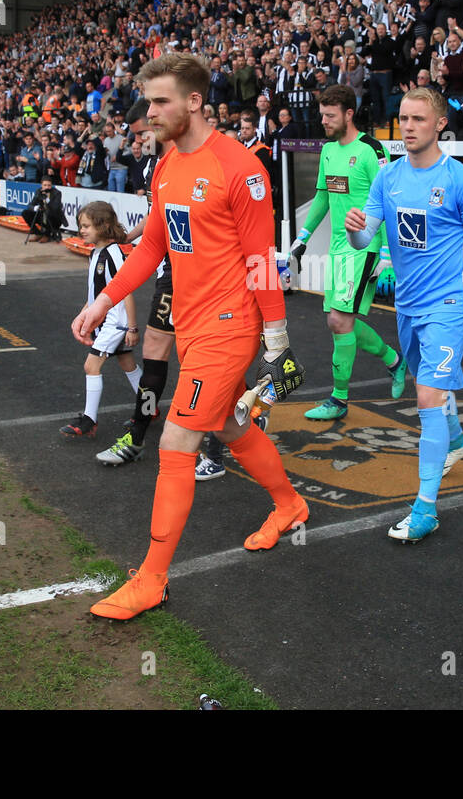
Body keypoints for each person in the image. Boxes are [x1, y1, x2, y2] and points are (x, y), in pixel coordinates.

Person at [70, 53, 306, 619]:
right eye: (148, 101)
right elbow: (151, 247)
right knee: (228, 423)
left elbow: (260, 259)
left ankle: (152, 579)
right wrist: (102, 300)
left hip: (231, 327)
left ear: (195, 102)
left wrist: (276, 337)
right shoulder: (166, 165)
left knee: (177, 442)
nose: (149, 113)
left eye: (160, 102)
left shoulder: (241, 167)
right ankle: (290, 504)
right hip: (191, 324)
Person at [346, 86, 463, 542]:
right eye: (403, 119)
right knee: (427, 389)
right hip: (406, 304)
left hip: (449, 304)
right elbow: (364, 241)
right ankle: (459, 442)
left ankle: (425, 508)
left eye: (418, 120)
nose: (407, 127)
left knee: (427, 397)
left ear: (439, 123)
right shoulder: (388, 178)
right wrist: (353, 232)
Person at [285, 84, 406, 422]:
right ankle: (394, 361)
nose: (323, 120)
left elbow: (388, 200)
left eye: (329, 115)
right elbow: (322, 196)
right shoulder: (328, 151)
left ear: (349, 114)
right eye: (322, 114)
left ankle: (338, 400)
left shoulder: (372, 149)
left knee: (339, 320)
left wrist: (384, 252)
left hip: (365, 245)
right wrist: (303, 238)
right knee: (337, 321)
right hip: (338, 247)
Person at [95, 99, 176, 467]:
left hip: (211, 278)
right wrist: (131, 235)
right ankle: (138, 432)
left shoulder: (194, 159)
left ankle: (233, 429)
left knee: (202, 361)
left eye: (143, 132)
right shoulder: (152, 165)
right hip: (170, 273)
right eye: (136, 135)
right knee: (155, 350)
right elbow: (157, 217)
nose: (139, 141)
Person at [61, 201, 141, 438]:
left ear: (104, 225)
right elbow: (97, 294)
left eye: (86, 226)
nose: (82, 230)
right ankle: (149, 407)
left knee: (91, 365)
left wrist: (132, 327)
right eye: (80, 226)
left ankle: (89, 420)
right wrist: (83, 313)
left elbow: (126, 290)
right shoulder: (95, 252)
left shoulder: (114, 253)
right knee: (127, 364)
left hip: (116, 322)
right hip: (109, 320)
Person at [21, 175, 65, 242]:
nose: (47, 187)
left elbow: (55, 208)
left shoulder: (57, 193)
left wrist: (46, 199)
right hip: (42, 215)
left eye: (49, 185)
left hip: (54, 218)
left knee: (48, 212)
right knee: (25, 213)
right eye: (45, 185)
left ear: (51, 185)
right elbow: (30, 205)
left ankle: (47, 235)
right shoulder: (38, 191)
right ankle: (37, 233)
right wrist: (35, 208)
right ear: (41, 185)